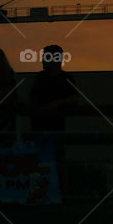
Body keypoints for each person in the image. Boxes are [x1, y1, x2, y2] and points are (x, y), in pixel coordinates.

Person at [29, 45, 81, 195]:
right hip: (42, 127)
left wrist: (57, 104)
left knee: (55, 161)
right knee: (51, 161)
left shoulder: (63, 78)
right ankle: (53, 194)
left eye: (46, 56)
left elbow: (75, 98)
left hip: (52, 128)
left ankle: (59, 194)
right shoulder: (42, 77)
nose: (42, 60)